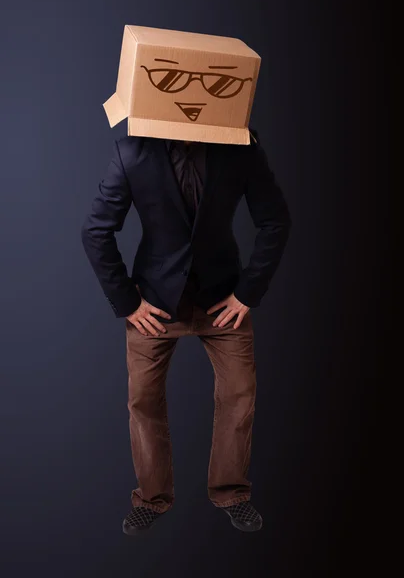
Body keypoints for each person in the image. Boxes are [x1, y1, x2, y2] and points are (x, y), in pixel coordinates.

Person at [81, 128, 292, 534]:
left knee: (239, 394)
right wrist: (128, 302)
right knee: (143, 400)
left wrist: (248, 292)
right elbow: (95, 231)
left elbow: (275, 220)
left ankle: (231, 492)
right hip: (156, 303)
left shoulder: (241, 145)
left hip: (222, 297)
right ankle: (152, 497)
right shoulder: (132, 151)